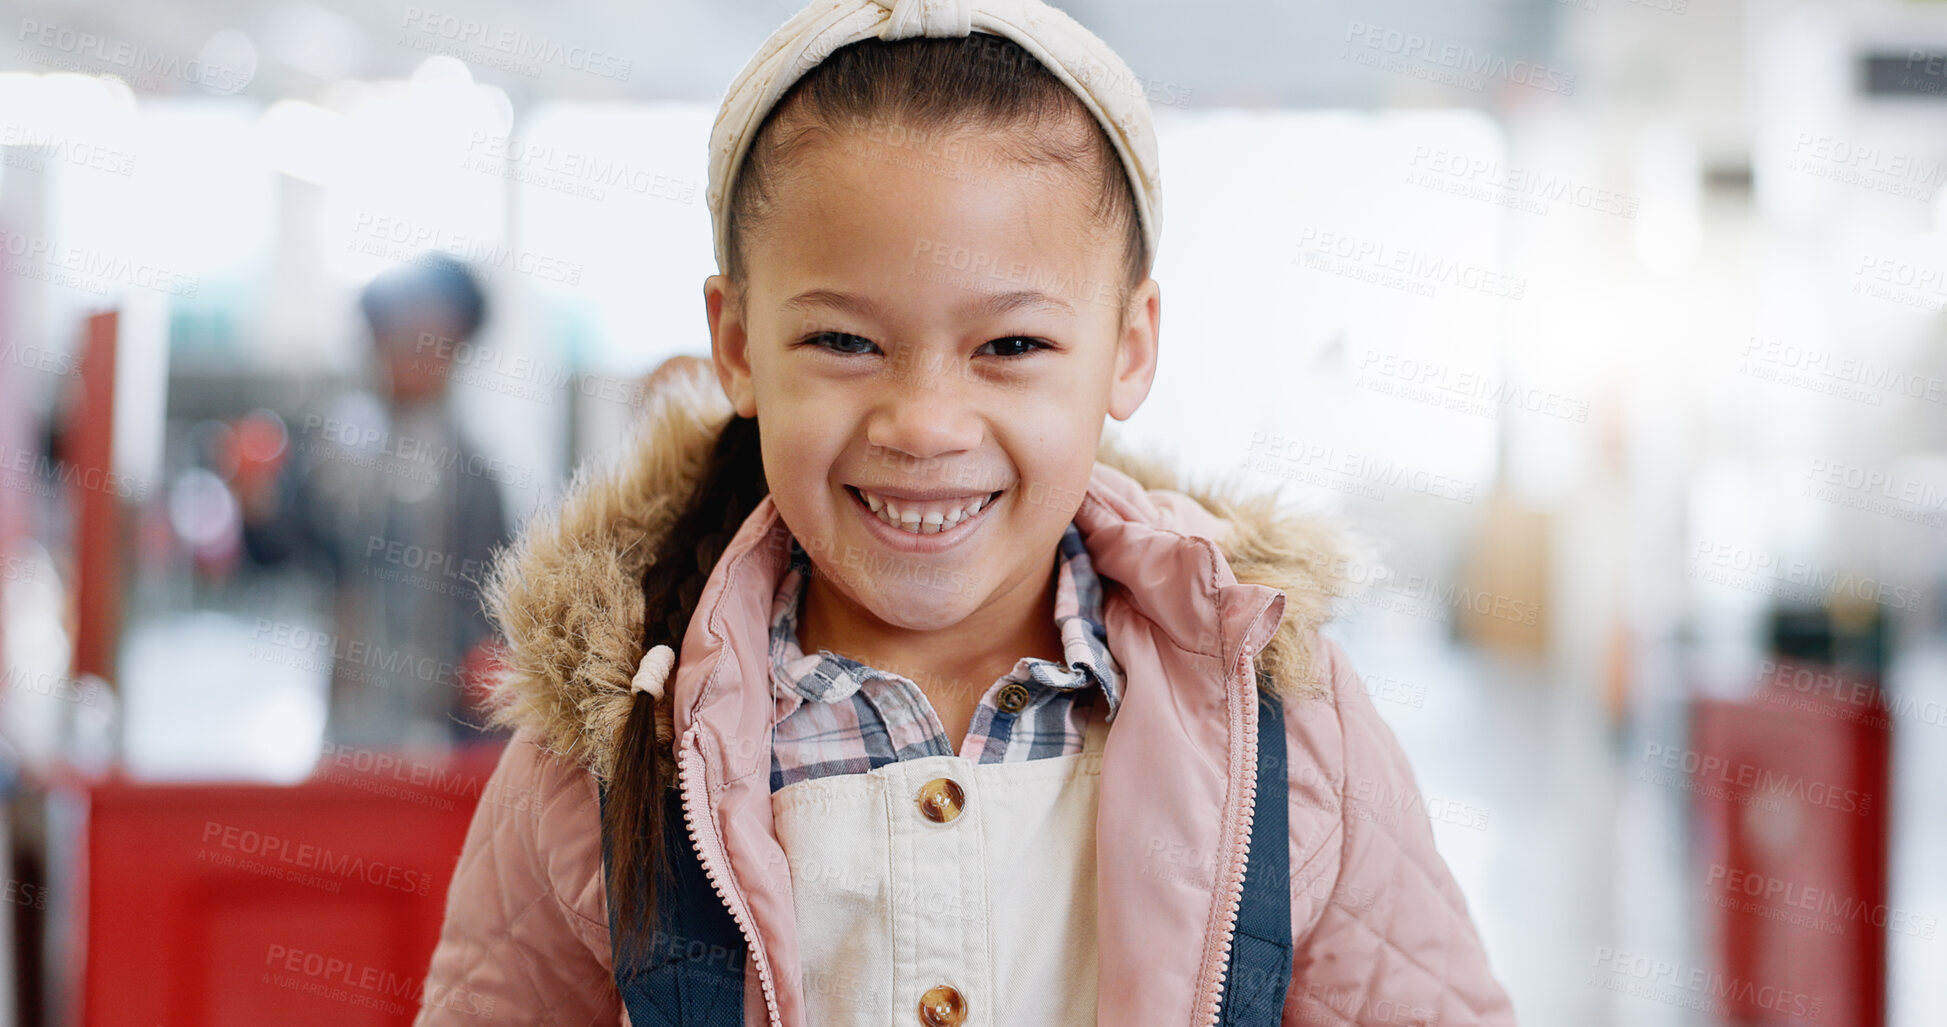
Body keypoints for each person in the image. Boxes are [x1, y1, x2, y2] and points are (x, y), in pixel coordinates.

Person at [415, 2, 1516, 1024]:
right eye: (844, 341)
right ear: (738, 343)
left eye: (1012, 346)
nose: (927, 424)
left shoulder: (1286, 718)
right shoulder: (610, 742)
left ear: (1129, 349)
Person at [238, 253, 511, 750]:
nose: (415, 354)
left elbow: (494, 604)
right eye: (400, 336)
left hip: (448, 734)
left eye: (434, 340)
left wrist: (483, 657)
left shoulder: (475, 475)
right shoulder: (337, 456)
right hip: (351, 724)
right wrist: (255, 502)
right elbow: (288, 549)